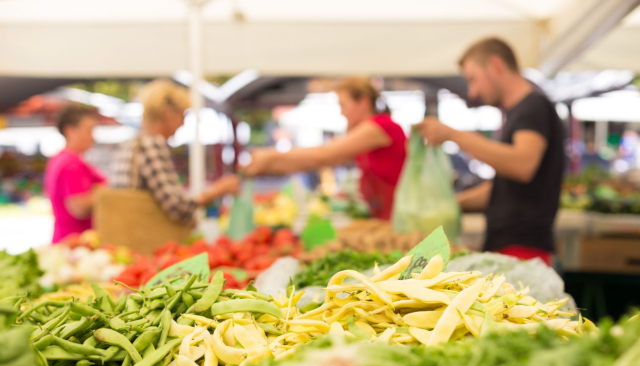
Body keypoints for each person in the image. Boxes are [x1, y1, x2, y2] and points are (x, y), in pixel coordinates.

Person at [415, 38, 565, 265]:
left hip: (524, 249)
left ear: (496, 66)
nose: (473, 91)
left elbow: (522, 165)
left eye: (473, 79)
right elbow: (503, 189)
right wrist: (451, 203)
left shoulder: (534, 108)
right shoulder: (519, 113)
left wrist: (453, 135)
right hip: (510, 246)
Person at [243, 77, 407, 220]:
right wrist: (268, 166)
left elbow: (324, 155)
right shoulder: (368, 133)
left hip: (399, 217)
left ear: (363, 102)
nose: (342, 113)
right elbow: (319, 160)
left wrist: (271, 156)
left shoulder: (381, 126)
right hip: (385, 217)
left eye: (343, 105)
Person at [111, 79, 240, 225]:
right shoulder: (151, 145)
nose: (183, 123)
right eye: (183, 115)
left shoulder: (129, 145)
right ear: (166, 114)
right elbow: (177, 206)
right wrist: (217, 191)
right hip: (145, 238)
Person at [45, 104, 107, 243]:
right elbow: (79, 207)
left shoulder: (59, 159)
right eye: (88, 131)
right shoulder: (71, 164)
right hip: (75, 243)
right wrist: (104, 193)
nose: (92, 137)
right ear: (70, 131)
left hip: (67, 241)